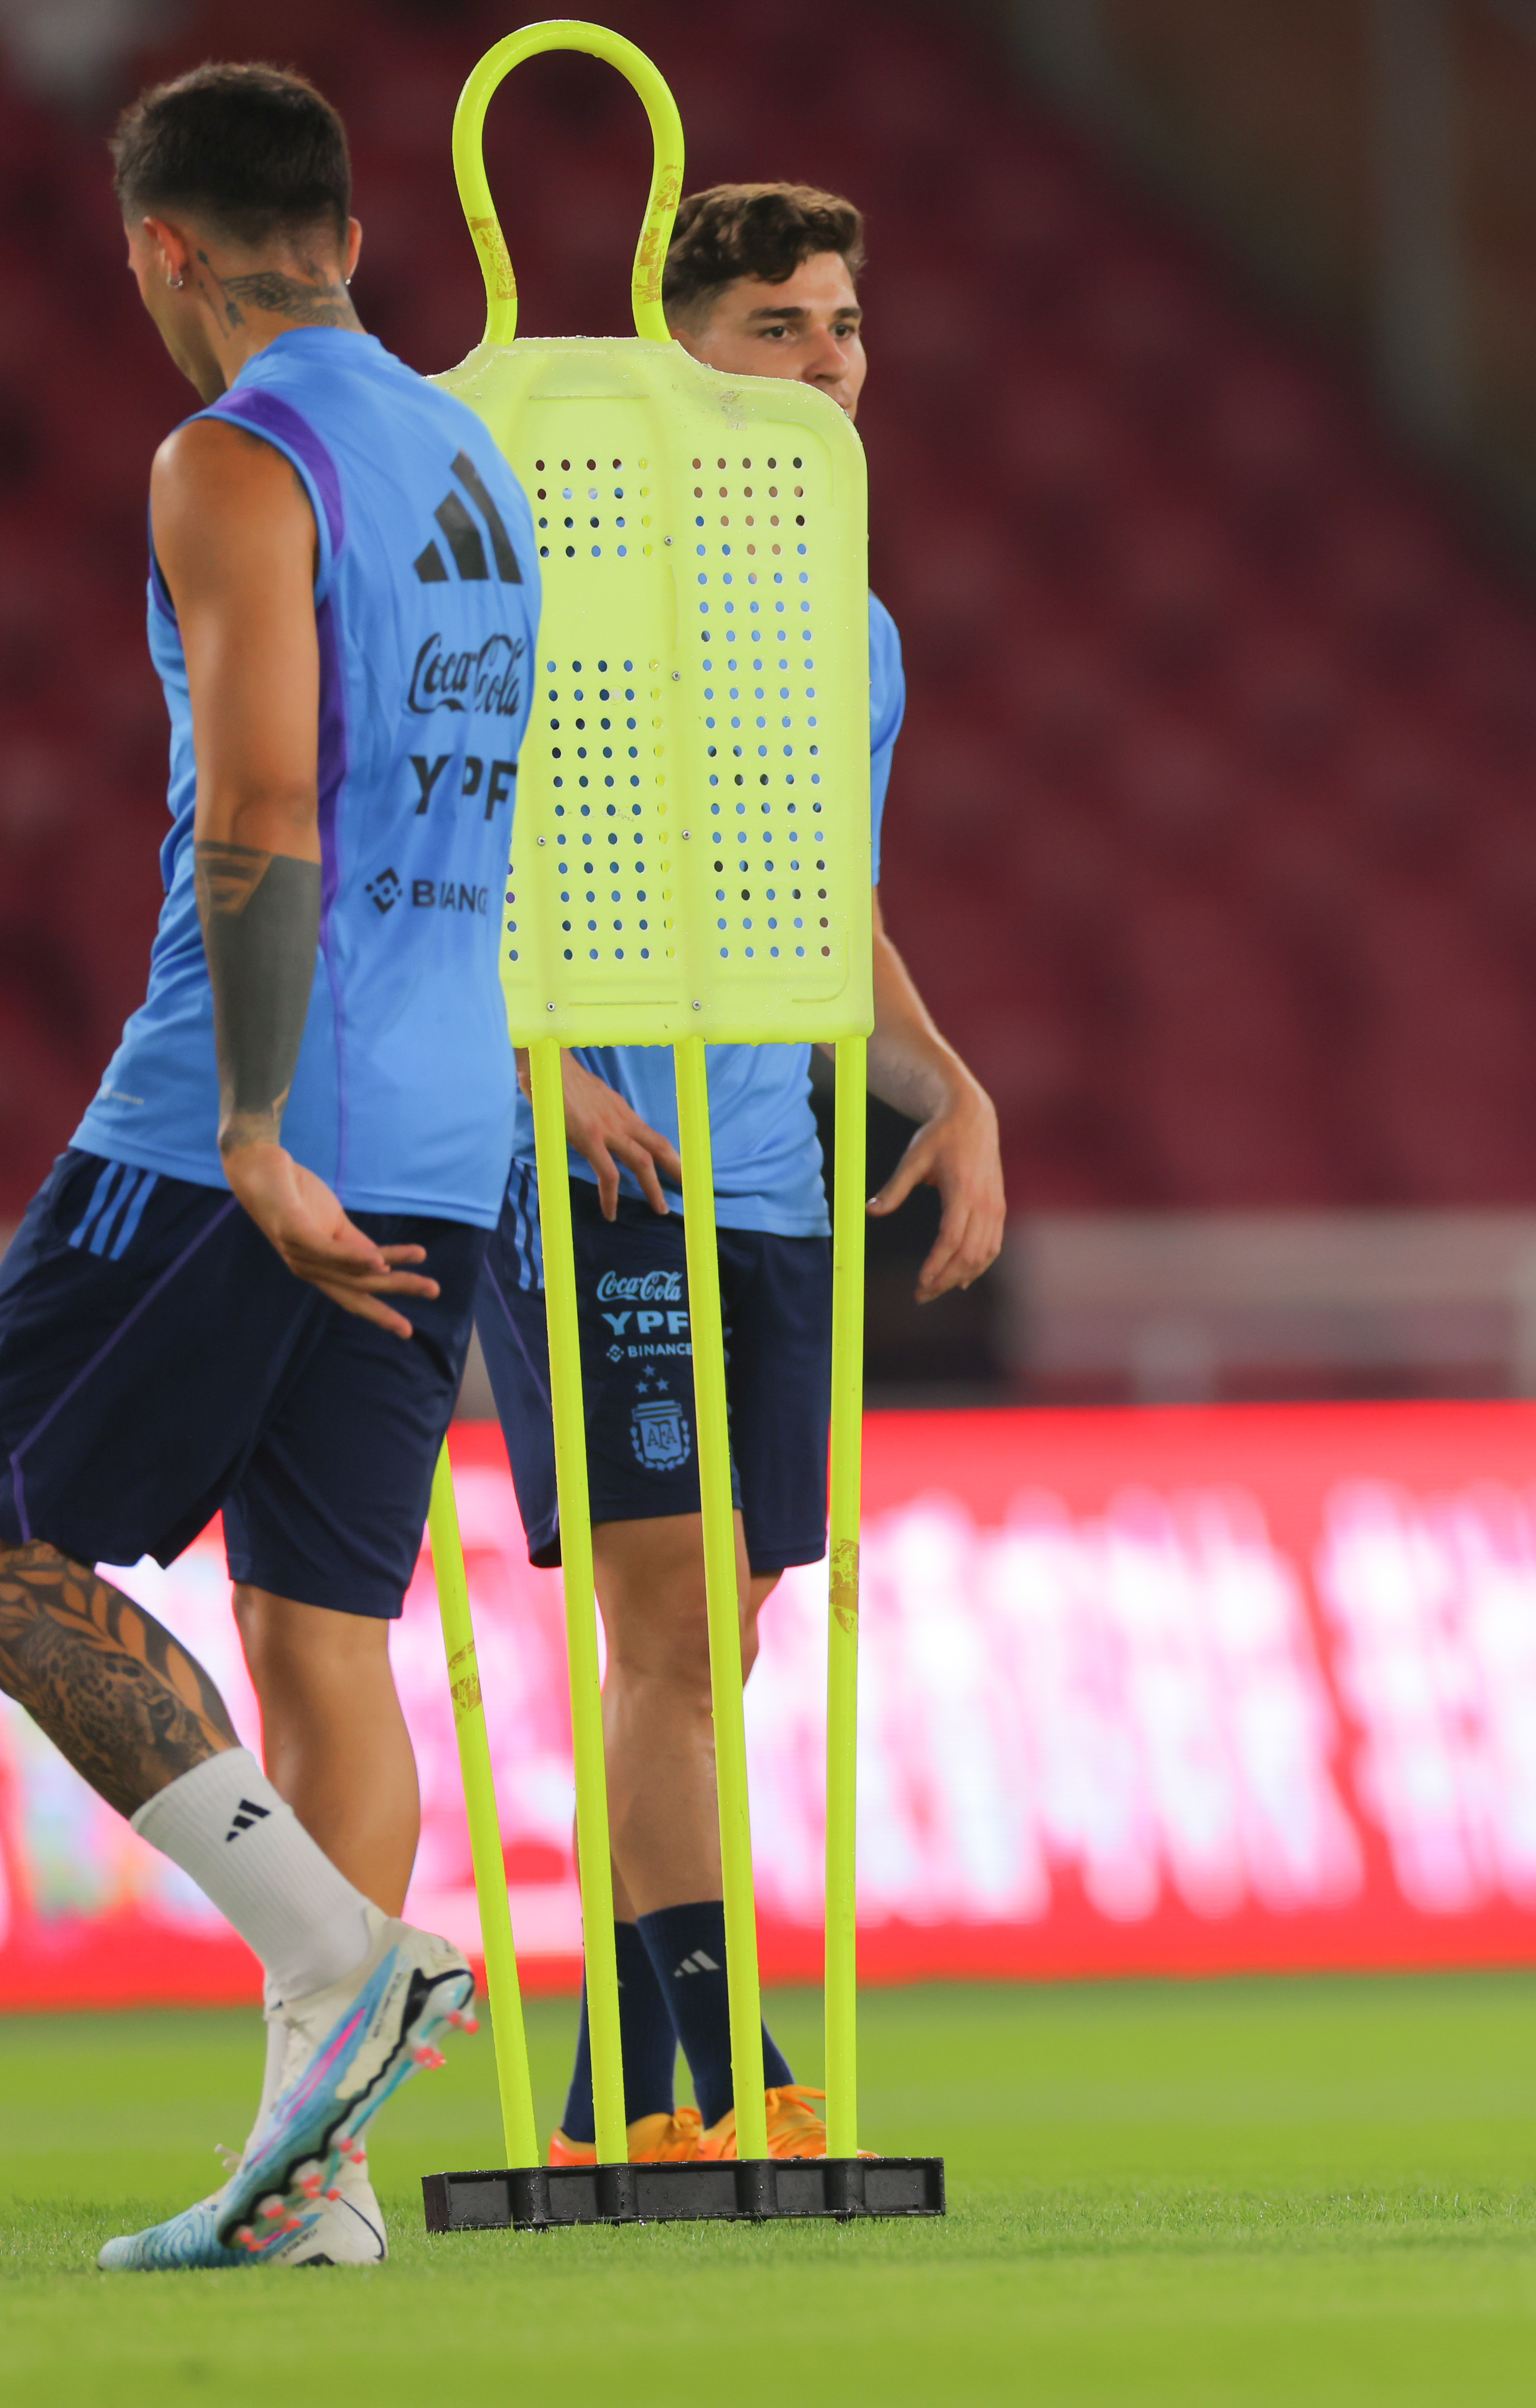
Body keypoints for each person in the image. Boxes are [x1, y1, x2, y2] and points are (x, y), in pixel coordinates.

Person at [0, 62, 528, 2264]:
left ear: (163, 253)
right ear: (356, 240)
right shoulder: (463, 452)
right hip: (449, 1124)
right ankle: (322, 2181)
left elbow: (271, 808)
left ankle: (347, 1959)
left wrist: (249, 1125)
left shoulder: (235, 457)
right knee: (326, 1634)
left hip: (254, 1130)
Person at [472, 180, 1004, 2168]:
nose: (826, 365)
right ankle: (723, 2064)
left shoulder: (845, 623)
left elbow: (823, 907)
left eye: (845, 327)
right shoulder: (552, 577)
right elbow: (440, 865)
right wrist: (534, 1073)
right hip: (598, 1167)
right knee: (679, 1624)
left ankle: (630, 2077)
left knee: (728, 1625)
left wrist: (949, 1078)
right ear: (676, 353)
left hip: (772, 1173)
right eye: (779, 327)